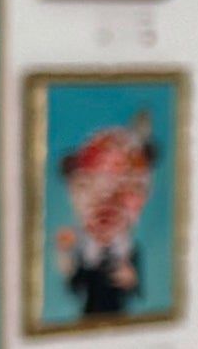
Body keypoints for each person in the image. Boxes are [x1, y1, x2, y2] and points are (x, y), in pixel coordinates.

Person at [55, 117, 152, 322]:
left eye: (126, 188)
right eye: (90, 187)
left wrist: (130, 279)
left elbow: (139, 289)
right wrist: (63, 254)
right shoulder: (85, 251)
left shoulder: (129, 250)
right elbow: (75, 285)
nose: (108, 203)